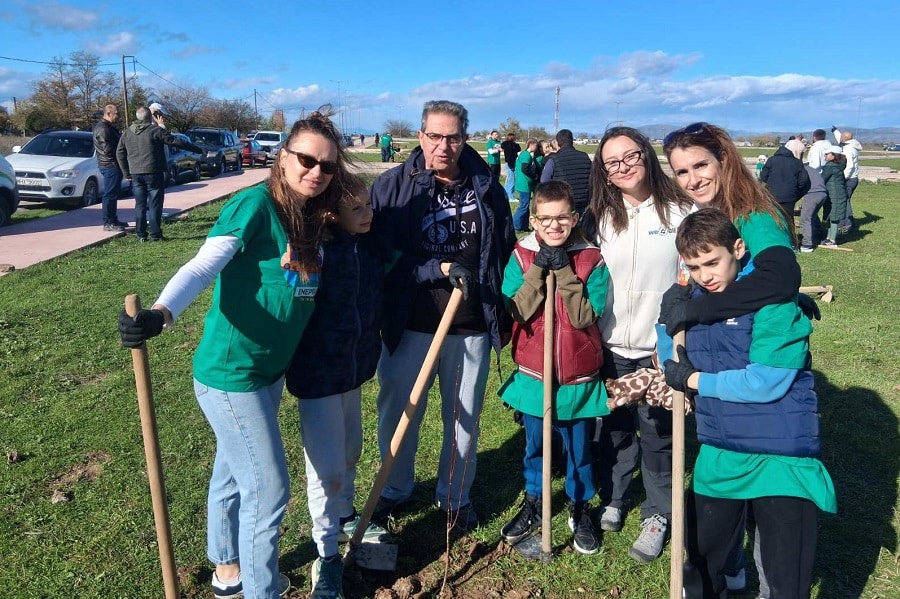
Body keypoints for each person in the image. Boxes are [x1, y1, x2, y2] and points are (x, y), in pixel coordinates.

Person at [118, 109, 351, 599]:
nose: (316, 171)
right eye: (306, 159)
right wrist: (161, 314)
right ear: (283, 157)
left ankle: (227, 571)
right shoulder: (255, 205)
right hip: (232, 375)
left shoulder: (311, 214)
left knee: (232, 473)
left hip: (271, 372)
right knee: (268, 492)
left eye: (327, 166)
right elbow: (204, 266)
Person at [662, 209, 836, 599]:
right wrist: (667, 325)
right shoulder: (694, 302)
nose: (705, 275)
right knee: (703, 557)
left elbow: (765, 382)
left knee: (784, 575)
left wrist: (692, 380)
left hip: (781, 455)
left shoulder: (773, 303)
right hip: (721, 448)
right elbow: (672, 353)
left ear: (738, 249)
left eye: (713, 262)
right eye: (694, 266)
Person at [369, 100, 515, 533]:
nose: (443, 146)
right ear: (420, 136)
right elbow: (382, 256)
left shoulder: (488, 185)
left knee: (463, 417)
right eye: (434, 136)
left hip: (468, 324)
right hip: (409, 322)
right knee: (398, 411)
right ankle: (395, 489)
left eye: (452, 136)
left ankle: (455, 496)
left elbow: (504, 248)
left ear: (465, 137)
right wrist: (436, 269)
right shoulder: (394, 188)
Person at [582, 126, 694, 564]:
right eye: (613, 162)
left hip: (656, 348)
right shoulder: (597, 217)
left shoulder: (681, 211)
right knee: (611, 429)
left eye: (631, 156)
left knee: (658, 434)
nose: (624, 166)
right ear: (605, 173)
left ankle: (658, 514)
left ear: (646, 156)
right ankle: (613, 496)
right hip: (608, 343)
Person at [285, 176, 390, 598]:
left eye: (369, 206)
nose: (369, 214)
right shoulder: (319, 251)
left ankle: (346, 516)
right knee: (325, 470)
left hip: (354, 371)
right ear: (332, 214)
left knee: (351, 452)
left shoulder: (366, 245)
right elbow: (295, 302)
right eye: (358, 209)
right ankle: (326, 555)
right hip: (319, 375)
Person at [498, 180, 610, 555]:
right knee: (535, 445)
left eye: (562, 218)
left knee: (579, 446)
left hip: (577, 373)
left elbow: (583, 317)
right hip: (535, 372)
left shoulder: (591, 259)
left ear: (574, 217)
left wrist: (564, 273)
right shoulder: (521, 256)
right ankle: (535, 501)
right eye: (545, 219)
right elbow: (518, 310)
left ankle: (580, 506)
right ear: (533, 219)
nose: (554, 226)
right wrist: (537, 273)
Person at [660, 122, 809, 337]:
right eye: (682, 172)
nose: (693, 181)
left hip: (743, 350)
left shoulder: (753, 215)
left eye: (701, 165)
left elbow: (781, 275)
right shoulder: (695, 212)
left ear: (723, 159)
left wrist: (695, 309)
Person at [116, 105, 202, 241]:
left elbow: (119, 152)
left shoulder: (128, 132)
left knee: (140, 204)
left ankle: (140, 234)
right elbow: (175, 141)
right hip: (153, 171)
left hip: (135, 173)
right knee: (155, 203)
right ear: (150, 117)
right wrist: (198, 149)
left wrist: (126, 172)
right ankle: (155, 234)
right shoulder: (154, 130)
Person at [759, 142, 810, 240]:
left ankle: (773, 239)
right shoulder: (797, 162)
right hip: (789, 195)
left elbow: (763, 176)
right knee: (789, 219)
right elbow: (804, 180)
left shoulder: (771, 160)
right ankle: (791, 241)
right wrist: (796, 192)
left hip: (772, 195)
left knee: (772, 217)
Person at [541, 129, 593, 216]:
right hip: (584, 201)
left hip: (563, 202)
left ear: (557, 143)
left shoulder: (553, 159)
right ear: (572, 141)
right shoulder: (585, 156)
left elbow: (544, 181)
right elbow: (593, 178)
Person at [92, 104, 127, 231]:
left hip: (112, 165)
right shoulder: (103, 129)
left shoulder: (109, 127)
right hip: (110, 165)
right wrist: (119, 159)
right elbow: (108, 149)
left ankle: (113, 219)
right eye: (116, 114)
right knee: (109, 194)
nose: (118, 116)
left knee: (113, 193)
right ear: (108, 113)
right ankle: (108, 222)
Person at [832, 126, 862, 231]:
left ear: (844, 139)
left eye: (842, 137)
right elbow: (839, 137)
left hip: (848, 179)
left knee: (844, 200)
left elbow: (849, 166)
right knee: (845, 200)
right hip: (852, 178)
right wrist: (835, 130)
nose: (840, 138)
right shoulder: (849, 143)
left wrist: (842, 178)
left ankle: (847, 223)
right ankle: (848, 222)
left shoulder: (848, 150)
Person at [820, 145, 848, 248]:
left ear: (834, 155)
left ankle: (832, 240)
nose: (825, 156)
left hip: (835, 195)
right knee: (831, 216)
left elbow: (822, 179)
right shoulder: (840, 165)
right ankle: (828, 238)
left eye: (827, 154)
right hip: (836, 193)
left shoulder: (830, 166)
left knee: (834, 216)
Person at [513, 138, 539, 232]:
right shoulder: (526, 155)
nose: (536, 148)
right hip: (524, 184)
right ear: (531, 145)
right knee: (523, 206)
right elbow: (525, 168)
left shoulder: (525, 154)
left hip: (524, 184)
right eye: (536, 146)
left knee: (526, 205)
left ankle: (524, 226)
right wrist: (534, 176)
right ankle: (515, 225)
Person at [501, 132, 521, 199]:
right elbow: (509, 157)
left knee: (510, 179)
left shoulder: (513, 145)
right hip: (510, 163)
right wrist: (511, 165)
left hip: (511, 163)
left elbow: (519, 148)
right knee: (511, 180)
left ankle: (504, 192)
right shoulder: (509, 146)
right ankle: (511, 197)